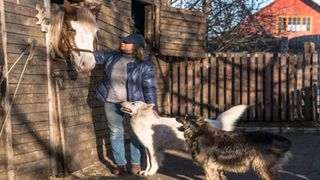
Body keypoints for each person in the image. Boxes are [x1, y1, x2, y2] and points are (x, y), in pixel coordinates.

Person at [94, 34, 158, 175]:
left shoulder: (145, 65)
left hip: (133, 107)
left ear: (136, 46)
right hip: (111, 101)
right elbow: (95, 56)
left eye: (127, 42)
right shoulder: (112, 56)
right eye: (122, 41)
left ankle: (135, 164)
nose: (122, 43)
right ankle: (120, 164)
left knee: (134, 134)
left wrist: (154, 108)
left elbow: (149, 88)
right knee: (115, 132)